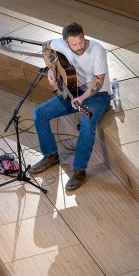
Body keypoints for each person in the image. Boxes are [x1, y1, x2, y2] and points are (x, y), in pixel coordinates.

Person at [31, 23, 111, 190]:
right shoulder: (60, 44)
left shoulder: (97, 50)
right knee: (40, 113)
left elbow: (99, 81)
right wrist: (50, 70)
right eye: (74, 44)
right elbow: (45, 46)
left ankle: (79, 171)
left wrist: (82, 98)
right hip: (72, 89)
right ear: (66, 42)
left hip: (97, 95)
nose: (79, 46)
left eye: (81, 42)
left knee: (87, 124)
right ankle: (51, 156)